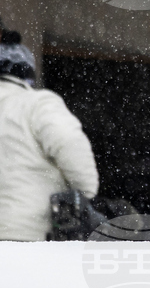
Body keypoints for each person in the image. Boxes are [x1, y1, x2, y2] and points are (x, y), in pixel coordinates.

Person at [0, 24, 100, 241]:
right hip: (24, 235)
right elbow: (70, 143)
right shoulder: (36, 104)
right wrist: (84, 193)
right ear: (24, 71)